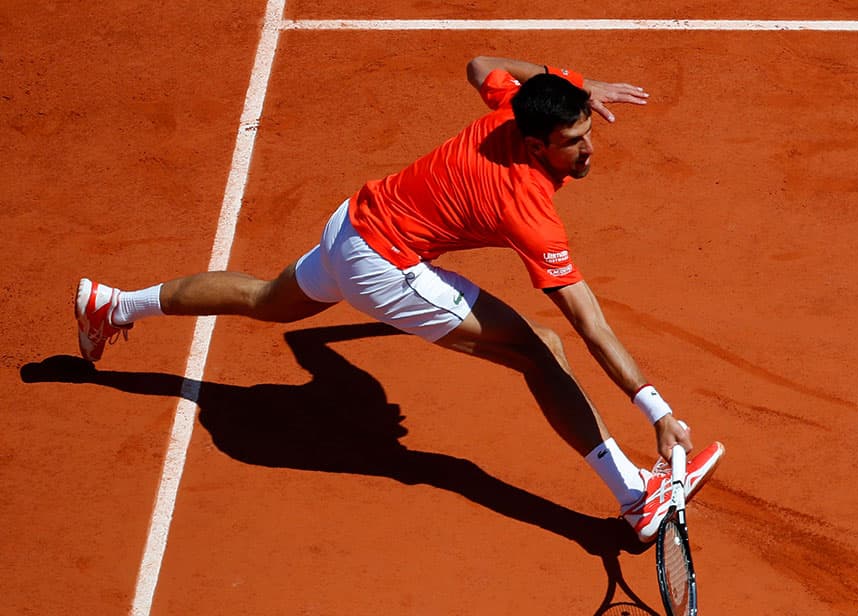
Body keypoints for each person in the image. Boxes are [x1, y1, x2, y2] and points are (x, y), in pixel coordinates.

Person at [75, 55, 723, 542]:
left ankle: (113, 305)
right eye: (574, 140)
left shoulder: (513, 110)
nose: (590, 149)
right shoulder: (528, 207)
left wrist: (572, 86)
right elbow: (587, 320)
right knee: (539, 348)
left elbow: (481, 63)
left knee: (267, 299)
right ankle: (638, 499)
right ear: (533, 146)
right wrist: (657, 411)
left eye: (585, 131)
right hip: (384, 265)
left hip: (352, 223)